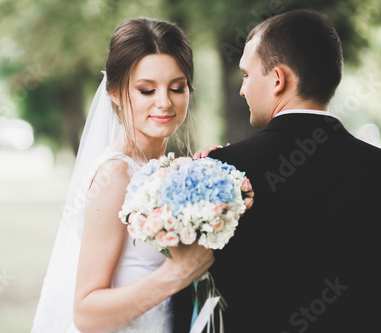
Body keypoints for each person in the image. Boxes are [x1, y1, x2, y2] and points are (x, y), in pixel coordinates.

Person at [174, 9, 381, 332]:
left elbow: (194, 291)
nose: (242, 89)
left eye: (246, 74)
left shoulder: (217, 175)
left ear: (278, 80)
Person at [31, 17, 214, 333]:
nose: (164, 103)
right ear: (115, 92)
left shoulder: (170, 168)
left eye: (177, 87)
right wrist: (177, 273)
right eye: (146, 90)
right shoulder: (115, 175)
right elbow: (87, 315)